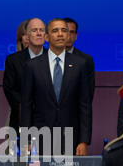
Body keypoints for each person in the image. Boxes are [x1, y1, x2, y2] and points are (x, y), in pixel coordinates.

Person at [21, 18, 91, 155]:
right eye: (55, 31)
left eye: (64, 31)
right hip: (40, 137)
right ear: (46, 37)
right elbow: (26, 107)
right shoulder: (32, 66)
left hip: (71, 137)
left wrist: (84, 141)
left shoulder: (80, 65)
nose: (60, 34)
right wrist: (26, 140)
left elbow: (85, 106)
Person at [3, 18, 47, 137]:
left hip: (49, 122)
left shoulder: (53, 59)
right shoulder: (13, 60)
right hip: (20, 120)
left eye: (41, 30)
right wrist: (30, 108)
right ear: (27, 36)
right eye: (34, 30)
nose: (38, 33)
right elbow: (10, 90)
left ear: (46, 35)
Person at [62, 17, 96, 104]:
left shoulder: (86, 60)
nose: (69, 36)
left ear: (76, 36)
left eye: (72, 32)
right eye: (65, 31)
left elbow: (88, 95)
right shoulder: (46, 57)